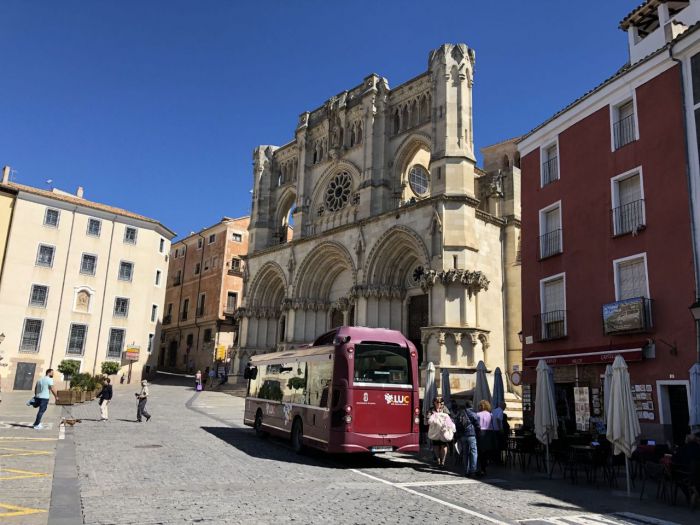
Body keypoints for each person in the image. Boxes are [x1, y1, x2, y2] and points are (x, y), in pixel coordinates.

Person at [427, 396, 455, 468]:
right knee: (436, 445)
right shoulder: (431, 409)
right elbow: (428, 419)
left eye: (441, 402)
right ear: (434, 402)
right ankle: (438, 460)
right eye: (438, 402)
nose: (440, 404)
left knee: (443, 445)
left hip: (443, 431)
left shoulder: (445, 408)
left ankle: (443, 461)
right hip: (434, 431)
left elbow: (449, 418)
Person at [456, 400, 481, 477]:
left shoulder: (460, 413)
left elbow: (457, 424)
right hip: (471, 435)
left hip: (463, 436)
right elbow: (477, 425)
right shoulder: (473, 413)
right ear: (472, 405)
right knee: (474, 452)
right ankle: (473, 470)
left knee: (465, 453)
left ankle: (466, 471)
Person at [476, 399, 494, 475]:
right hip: (488, 433)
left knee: (480, 451)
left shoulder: (477, 414)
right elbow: (492, 424)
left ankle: (481, 467)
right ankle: (485, 466)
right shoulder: (491, 414)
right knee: (486, 451)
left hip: (480, 432)